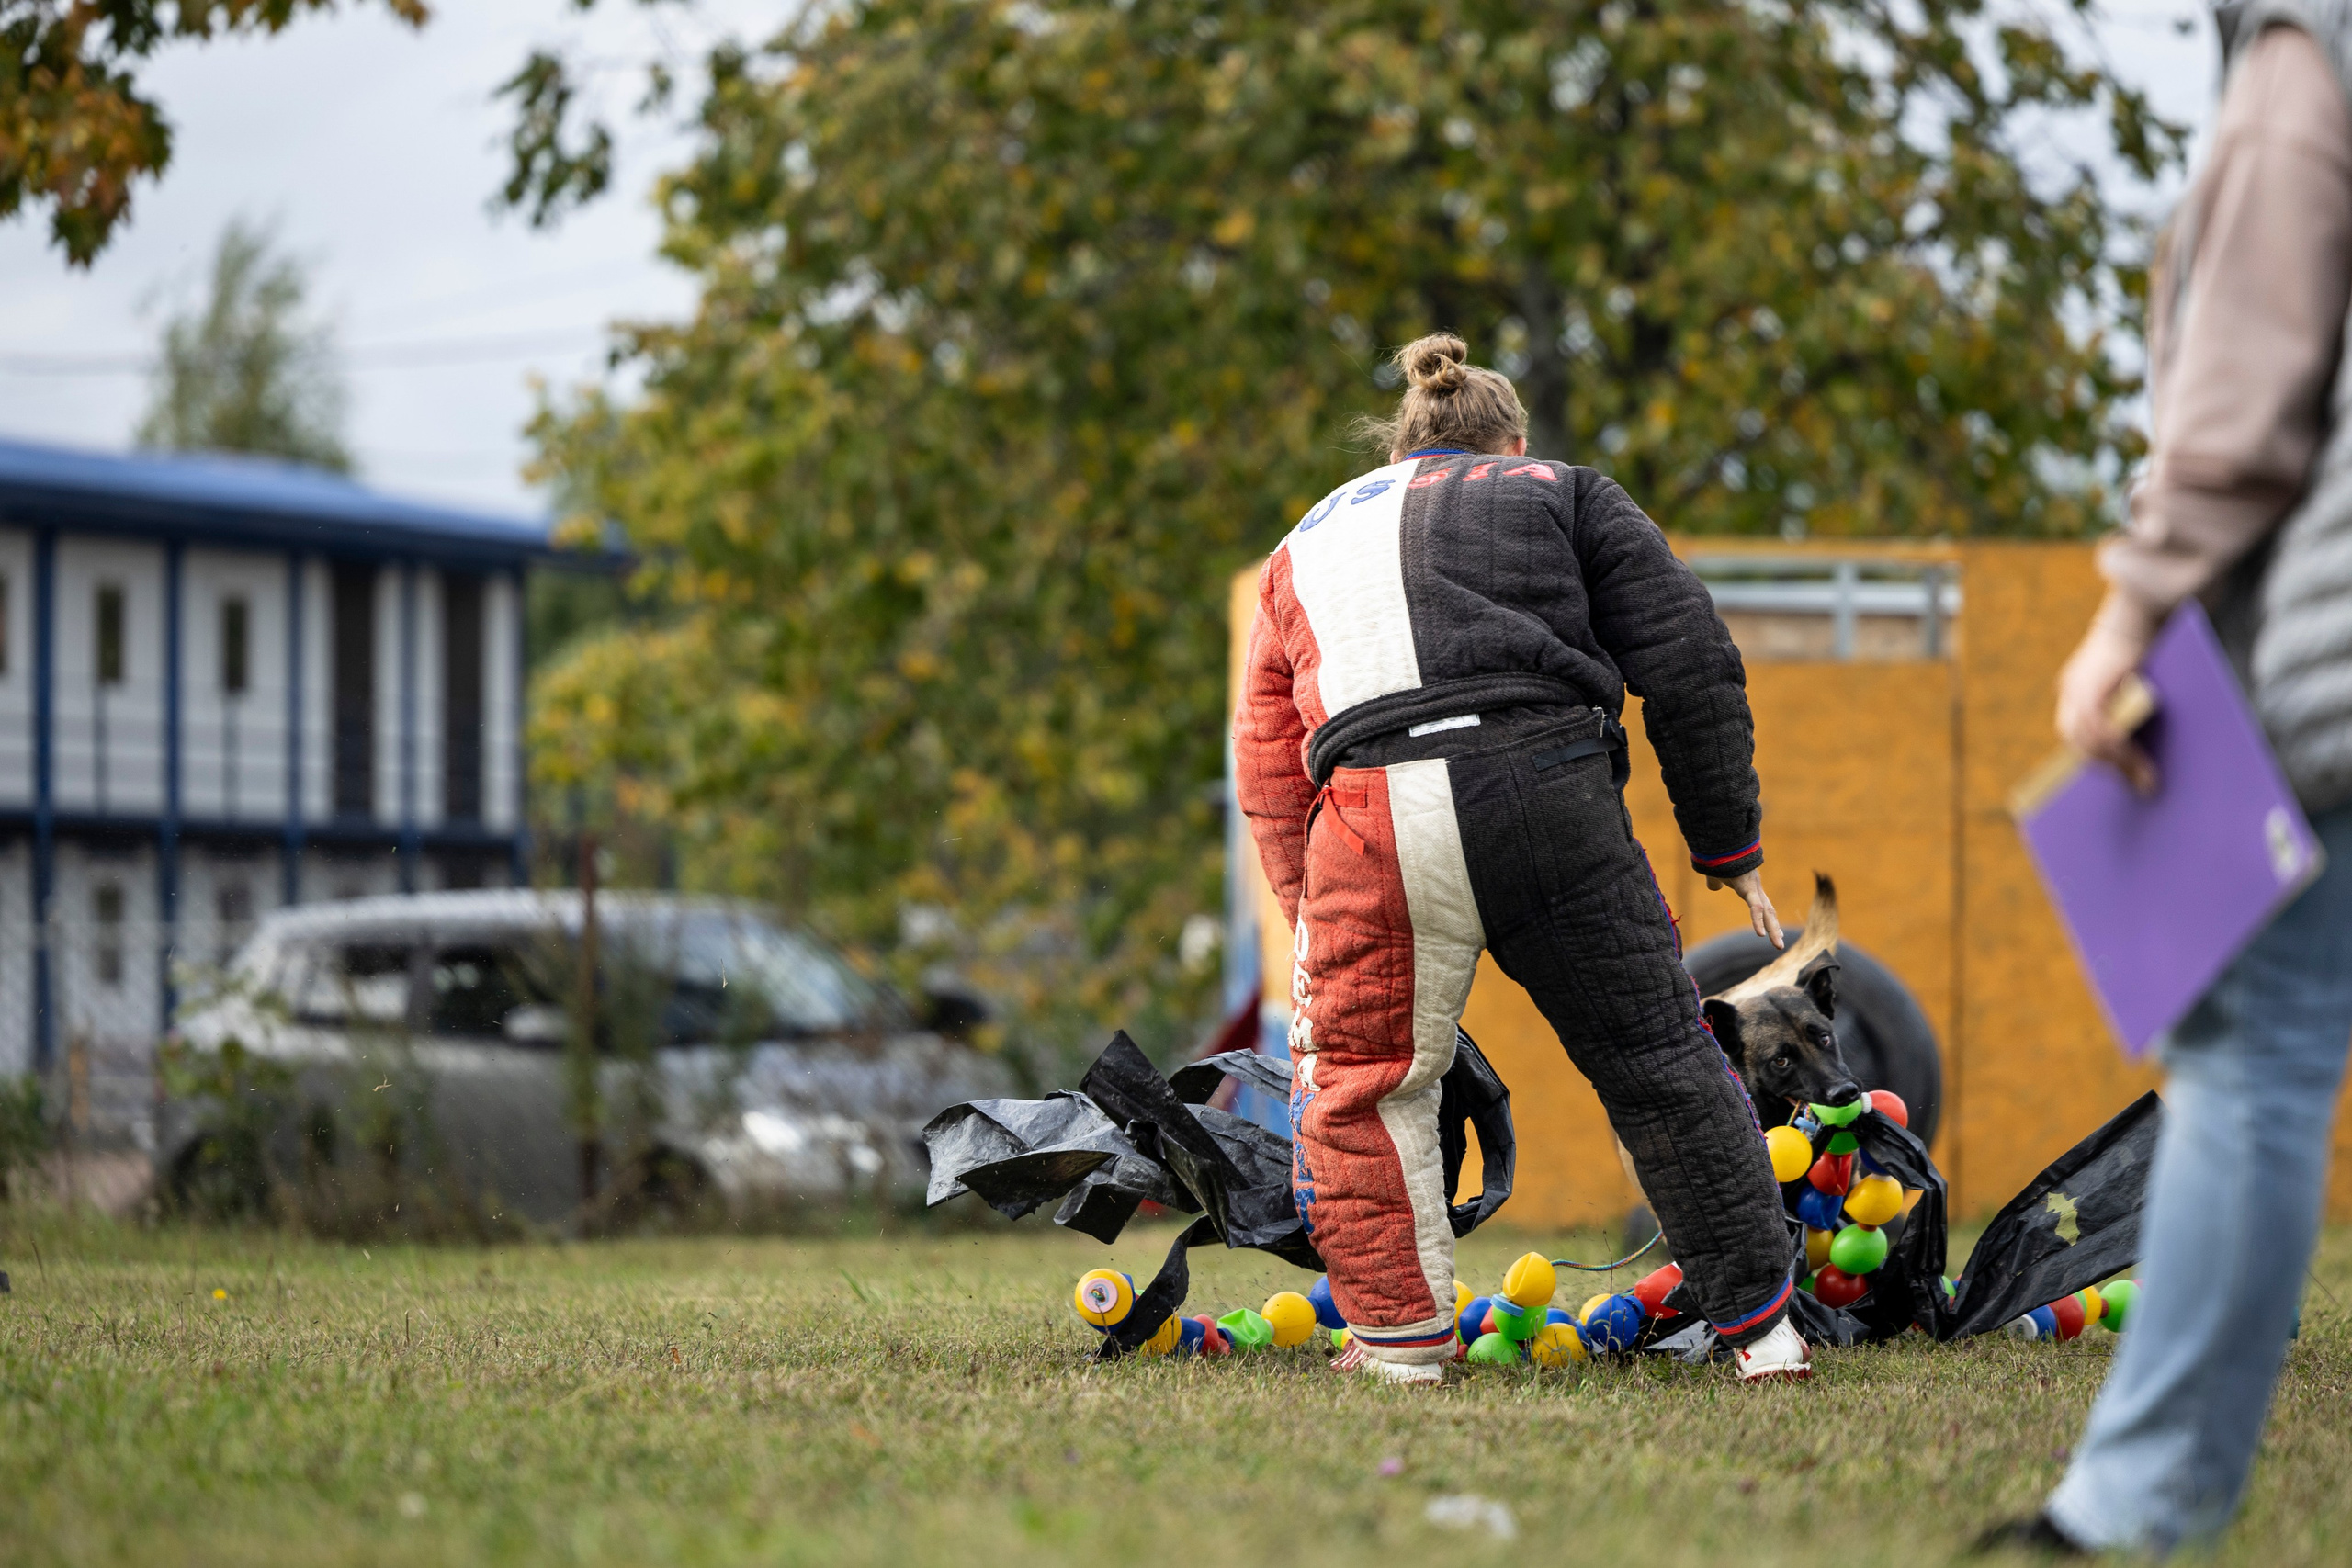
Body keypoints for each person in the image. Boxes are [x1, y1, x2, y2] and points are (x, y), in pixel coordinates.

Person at [1233, 332, 1811, 1385]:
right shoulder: (1570, 492)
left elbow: (1268, 759)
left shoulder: (1297, 547)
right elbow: (1689, 656)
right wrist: (1726, 843)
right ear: (1513, 445)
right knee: (1659, 1062)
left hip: (1367, 816)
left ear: (1396, 450)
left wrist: (1308, 913)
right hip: (1549, 790)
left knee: (1361, 1093)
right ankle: (1766, 1340)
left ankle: (1402, 1349)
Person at [1984, 3, 2352, 1553]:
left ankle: (2129, 1511)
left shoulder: (2304, 58)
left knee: (2249, 1060)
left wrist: (2130, 615)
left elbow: (2244, 389)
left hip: (2323, 659)